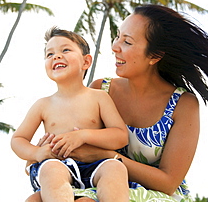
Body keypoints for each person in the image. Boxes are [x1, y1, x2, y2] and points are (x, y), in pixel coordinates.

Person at [26, 4, 208, 202]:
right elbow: (75, 140)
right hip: (98, 182)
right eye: (117, 37)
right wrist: (42, 151)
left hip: (155, 194)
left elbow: (168, 183)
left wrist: (108, 156)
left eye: (127, 42)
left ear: (154, 56)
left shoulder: (183, 104)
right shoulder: (101, 89)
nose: (114, 47)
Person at [11, 26, 129, 202]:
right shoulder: (43, 104)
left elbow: (120, 136)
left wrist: (83, 136)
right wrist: (37, 153)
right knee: (52, 170)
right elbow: (17, 139)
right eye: (49, 54)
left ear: (86, 62)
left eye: (65, 50)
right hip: (57, 164)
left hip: (94, 165)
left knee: (115, 168)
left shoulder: (99, 97)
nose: (56, 56)